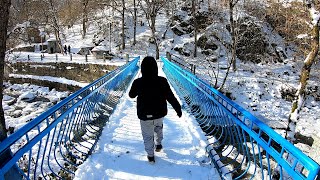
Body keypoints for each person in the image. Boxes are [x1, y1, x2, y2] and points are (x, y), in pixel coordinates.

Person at [129, 56, 182, 164]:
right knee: (158, 128)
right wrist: (178, 109)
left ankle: (151, 156)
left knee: (147, 136)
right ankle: (158, 144)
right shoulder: (162, 81)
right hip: (159, 113)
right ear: (155, 68)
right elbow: (170, 97)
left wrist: (137, 87)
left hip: (144, 115)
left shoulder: (138, 82)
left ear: (142, 69)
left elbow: (131, 95)